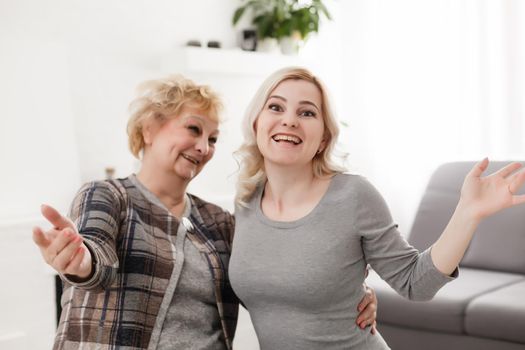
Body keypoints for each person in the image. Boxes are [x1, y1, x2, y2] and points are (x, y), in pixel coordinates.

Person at [32, 74, 379, 349]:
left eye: (213, 139)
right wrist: (80, 263)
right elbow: (98, 257)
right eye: (194, 129)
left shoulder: (219, 221)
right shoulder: (108, 195)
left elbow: (273, 282)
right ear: (149, 128)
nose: (203, 147)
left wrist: (347, 291)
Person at [228, 66, 525, 350]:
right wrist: (353, 292)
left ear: (323, 139)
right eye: (276, 107)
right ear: (256, 123)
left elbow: (415, 283)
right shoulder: (245, 202)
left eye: (307, 112)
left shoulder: (353, 195)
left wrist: (468, 212)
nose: (290, 120)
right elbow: (267, 292)